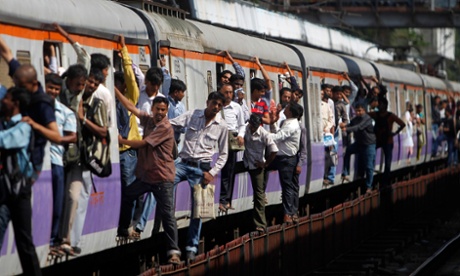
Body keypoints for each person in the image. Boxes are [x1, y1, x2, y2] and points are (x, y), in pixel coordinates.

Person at [115, 89, 181, 264]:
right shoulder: (149, 120)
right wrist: (116, 91)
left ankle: (174, 252)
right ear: (152, 108)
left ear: (167, 111)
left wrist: (122, 141)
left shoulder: (165, 127)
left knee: (167, 215)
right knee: (128, 194)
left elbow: (144, 143)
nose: (160, 113)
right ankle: (123, 228)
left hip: (162, 178)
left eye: (163, 110)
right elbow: (131, 107)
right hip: (146, 176)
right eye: (157, 109)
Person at [169, 91, 228, 262]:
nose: (216, 107)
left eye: (219, 105)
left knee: (198, 210)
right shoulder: (192, 114)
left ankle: (191, 247)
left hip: (202, 169)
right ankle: (170, 239)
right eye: (214, 103)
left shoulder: (222, 126)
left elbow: (224, 154)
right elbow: (171, 124)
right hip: (182, 163)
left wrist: (212, 172)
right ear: (207, 101)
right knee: (165, 187)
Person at [60, 68, 108, 255]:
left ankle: (73, 239)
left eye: (95, 84)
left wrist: (84, 120)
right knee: (69, 197)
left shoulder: (96, 104)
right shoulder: (69, 98)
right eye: (89, 82)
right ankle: (65, 238)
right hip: (67, 156)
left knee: (77, 197)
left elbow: (103, 131)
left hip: (84, 158)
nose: (91, 86)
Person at [0, 87, 41, 275]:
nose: (3, 101)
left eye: (6, 98)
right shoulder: (5, 123)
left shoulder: (23, 127)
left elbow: (5, 141)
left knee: (25, 243)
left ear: (15, 103)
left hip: (19, 193)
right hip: (3, 191)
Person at [43, 73, 77, 255]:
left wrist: (57, 138)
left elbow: (73, 135)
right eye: (50, 87)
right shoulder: (34, 107)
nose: (53, 91)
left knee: (57, 202)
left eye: (56, 89)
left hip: (56, 160)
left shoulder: (65, 112)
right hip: (38, 160)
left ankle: (53, 240)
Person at [114, 35, 143, 238]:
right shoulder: (106, 101)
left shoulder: (130, 101)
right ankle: (124, 225)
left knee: (130, 191)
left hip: (127, 152)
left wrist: (124, 51)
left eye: (117, 84)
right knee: (126, 191)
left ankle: (127, 225)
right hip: (115, 151)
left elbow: (132, 79)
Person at [267, 102, 303, 223]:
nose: (284, 109)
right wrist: (273, 124)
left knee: (287, 186)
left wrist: (260, 134)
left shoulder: (292, 125)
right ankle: (292, 212)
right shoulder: (288, 123)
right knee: (290, 186)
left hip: (287, 159)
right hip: (283, 158)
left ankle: (288, 213)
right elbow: (278, 133)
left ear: (291, 112)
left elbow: (278, 137)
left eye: (287, 108)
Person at [243, 114, 278, 232]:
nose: (251, 127)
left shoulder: (264, 134)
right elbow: (240, 131)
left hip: (257, 166)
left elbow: (274, 150)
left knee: (259, 195)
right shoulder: (246, 128)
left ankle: (261, 224)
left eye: (253, 126)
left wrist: (266, 164)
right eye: (250, 125)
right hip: (246, 163)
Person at [218, 83, 245, 211]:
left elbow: (242, 124)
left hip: (231, 140)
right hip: (218, 139)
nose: (228, 95)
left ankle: (226, 199)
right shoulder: (216, 106)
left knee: (229, 170)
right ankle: (221, 198)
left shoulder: (236, 107)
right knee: (220, 170)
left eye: (230, 92)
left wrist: (240, 135)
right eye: (225, 93)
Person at [340, 103, 376, 195]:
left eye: (360, 111)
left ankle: (369, 187)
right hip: (359, 144)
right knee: (348, 151)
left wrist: (346, 129)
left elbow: (359, 127)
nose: (358, 112)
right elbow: (350, 125)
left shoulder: (367, 119)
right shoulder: (355, 119)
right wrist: (344, 126)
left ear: (364, 110)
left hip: (369, 144)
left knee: (369, 166)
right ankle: (345, 172)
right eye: (357, 111)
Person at [368, 98, 405, 187]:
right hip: (379, 140)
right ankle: (372, 175)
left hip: (387, 141)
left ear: (385, 105)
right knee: (371, 156)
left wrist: (395, 133)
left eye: (380, 104)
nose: (379, 106)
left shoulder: (390, 116)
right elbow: (364, 114)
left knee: (387, 163)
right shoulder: (375, 114)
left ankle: (386, 181)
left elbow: (402, 124)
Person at [91, 53, 114, 127]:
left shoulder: (83, 86)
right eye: (106, 70)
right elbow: (110, 121)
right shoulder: (104, 92)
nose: (107, 73)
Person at [167, 79, 187, 143]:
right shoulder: (166, 103)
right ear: (176, 92)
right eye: (182, 92)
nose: (183, 95)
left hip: (176, 141)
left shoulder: (181, 106)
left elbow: (184, 127)